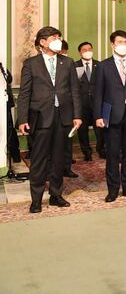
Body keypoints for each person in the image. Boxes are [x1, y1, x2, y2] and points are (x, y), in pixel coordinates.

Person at [16, 26, 82, 213]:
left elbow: (74, 91)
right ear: (42, 42)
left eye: (59, 37)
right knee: (39, 160)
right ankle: (36, 199)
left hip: (63, 118)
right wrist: (22, 119)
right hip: (41, 118)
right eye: (54, 37)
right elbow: (24, 94)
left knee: (59, 159)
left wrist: (77, 116)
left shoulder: (67, 62)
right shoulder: (31, 63)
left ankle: (55, 195)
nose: (57, 40)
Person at [94, 30, 126, 202]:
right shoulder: (103, 66)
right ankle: (113, 189)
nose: (123, 45)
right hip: (111, 115)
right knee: (113, 154)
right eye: (120, 42)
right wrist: (98, 116)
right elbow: (98, 94)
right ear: (112, 45)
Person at [75, 42, 104, 161]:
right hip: (82, 104)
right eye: (84, 49)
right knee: (82, 130)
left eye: (89, 49)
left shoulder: (100, 65)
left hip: (98, 103)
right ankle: (87, 152)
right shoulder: (75, 66)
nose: (87, 51)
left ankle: (102, 150)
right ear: (80, 52)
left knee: (101, 129)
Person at [58, 40, 79, 178]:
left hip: (67, 110)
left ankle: (66, 167)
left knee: (67, 143)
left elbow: (74, 89)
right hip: (49, 111)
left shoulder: (68, 63)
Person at [1, 62, 21, 163]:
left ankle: (15, 154)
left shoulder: (2, 66)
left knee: (10, 129)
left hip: (5, 102)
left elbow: (9, 79)